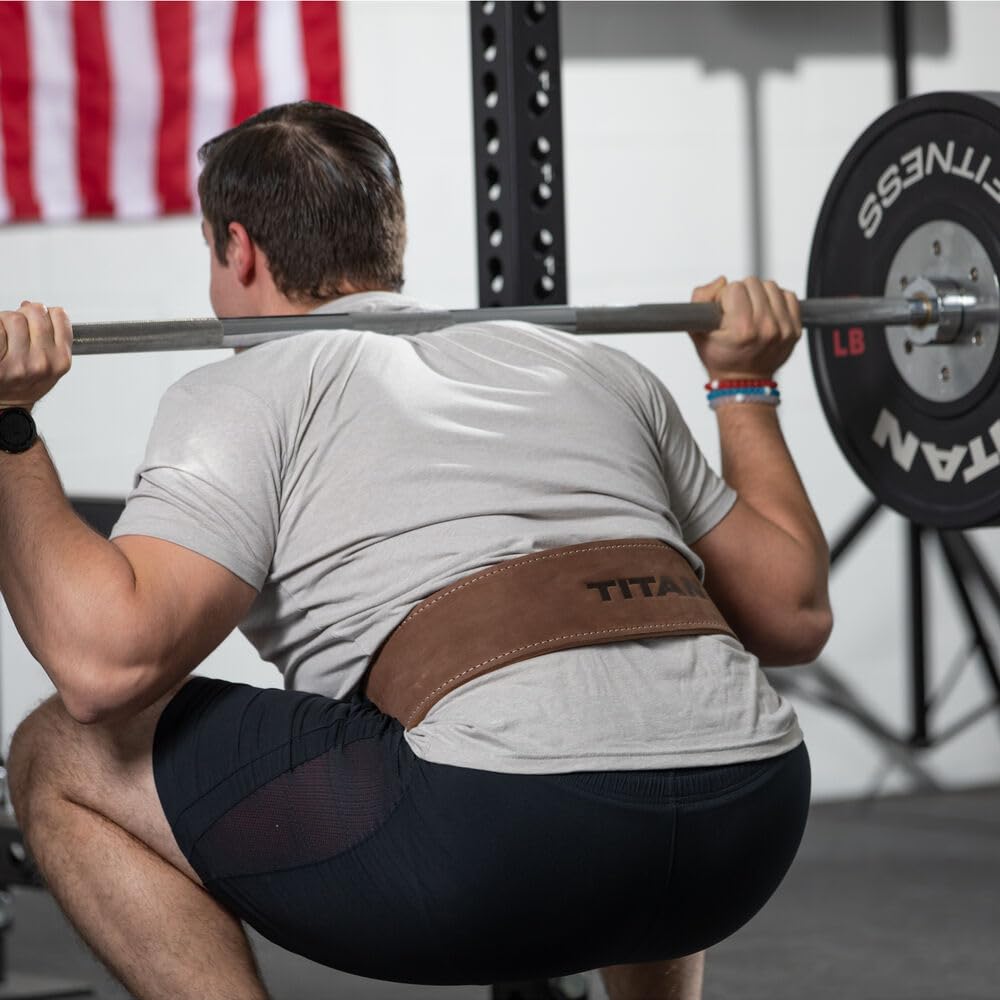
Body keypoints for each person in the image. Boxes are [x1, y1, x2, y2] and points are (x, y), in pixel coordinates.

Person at [0, 102, 831, 1000]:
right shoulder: (591, 367)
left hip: (501, 842)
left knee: (60, 755)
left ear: (237, 249)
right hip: (749, 823)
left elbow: (100, 663)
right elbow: (791, 612)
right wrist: (743, 380)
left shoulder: (251, 387)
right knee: (629, 697)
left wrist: (9, 424)